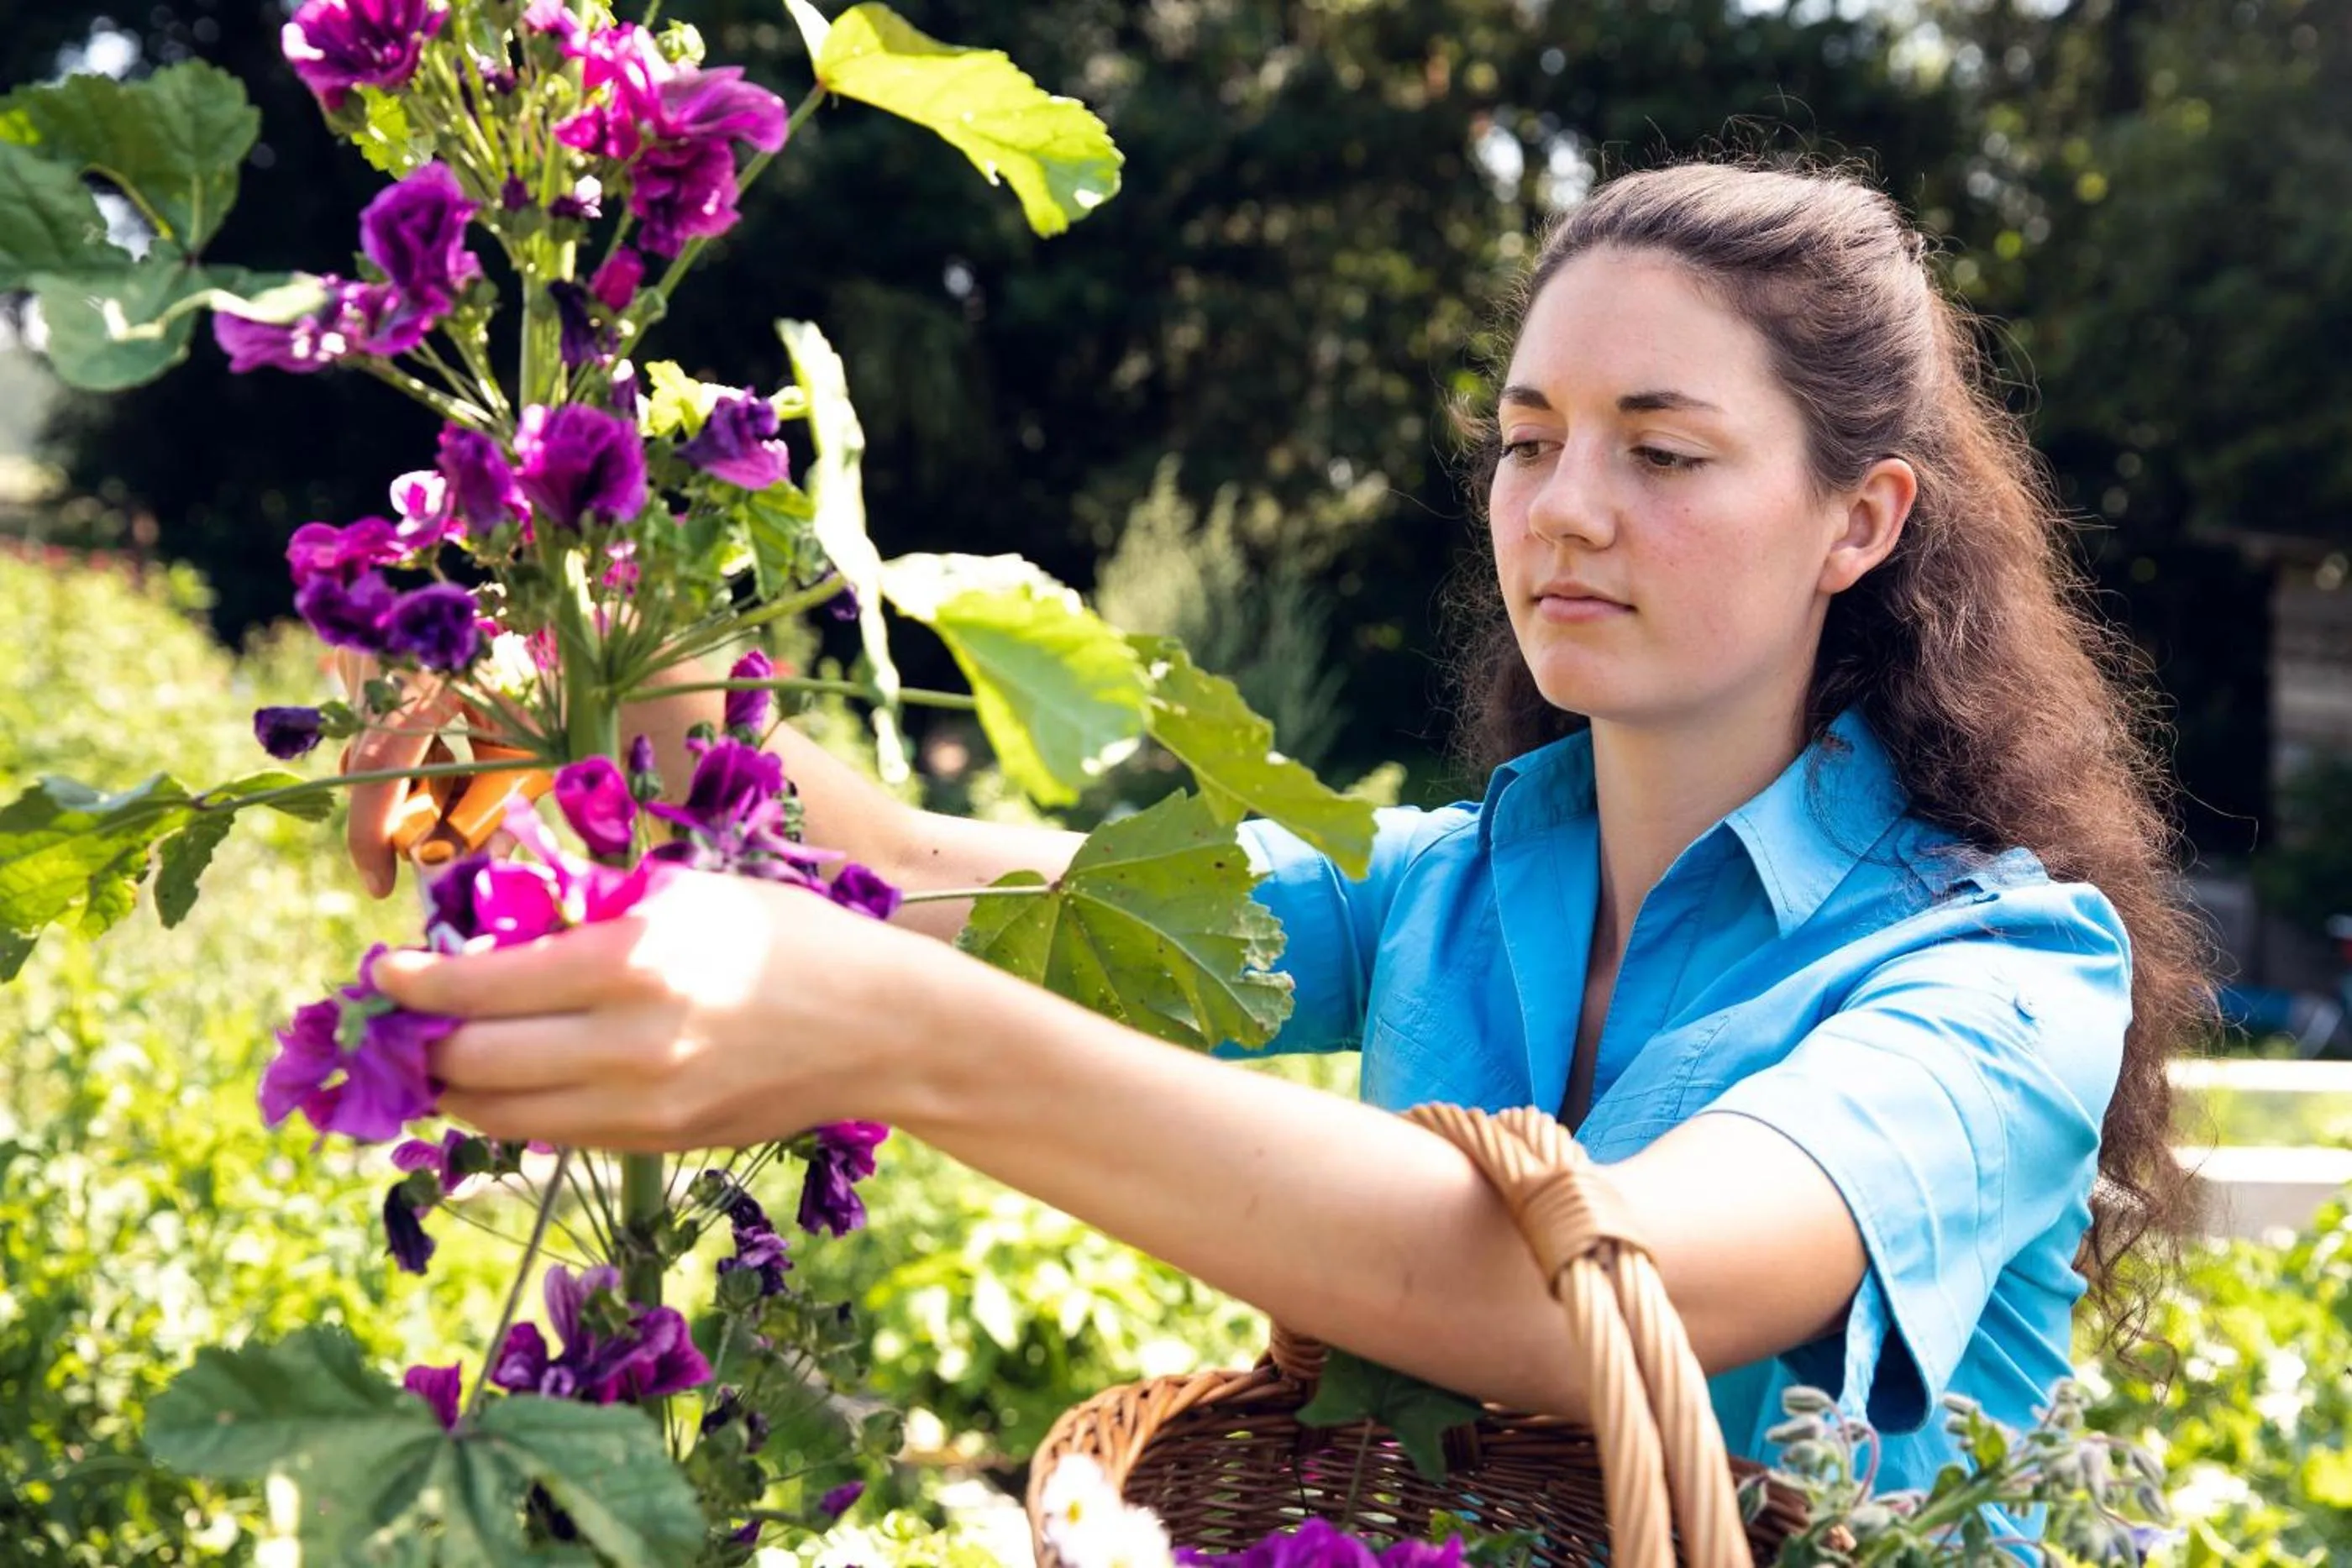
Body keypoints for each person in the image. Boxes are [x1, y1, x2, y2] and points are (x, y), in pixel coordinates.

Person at [360, 160, 2209, 1497]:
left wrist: (887, 1033)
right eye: (1522, 436)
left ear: (1857, 522)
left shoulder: (1998, 967)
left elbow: (1596, 1307)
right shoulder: (1440, 880)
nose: (1560, 508)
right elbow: (976, 891)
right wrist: (612, 705)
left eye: (1658, 450)